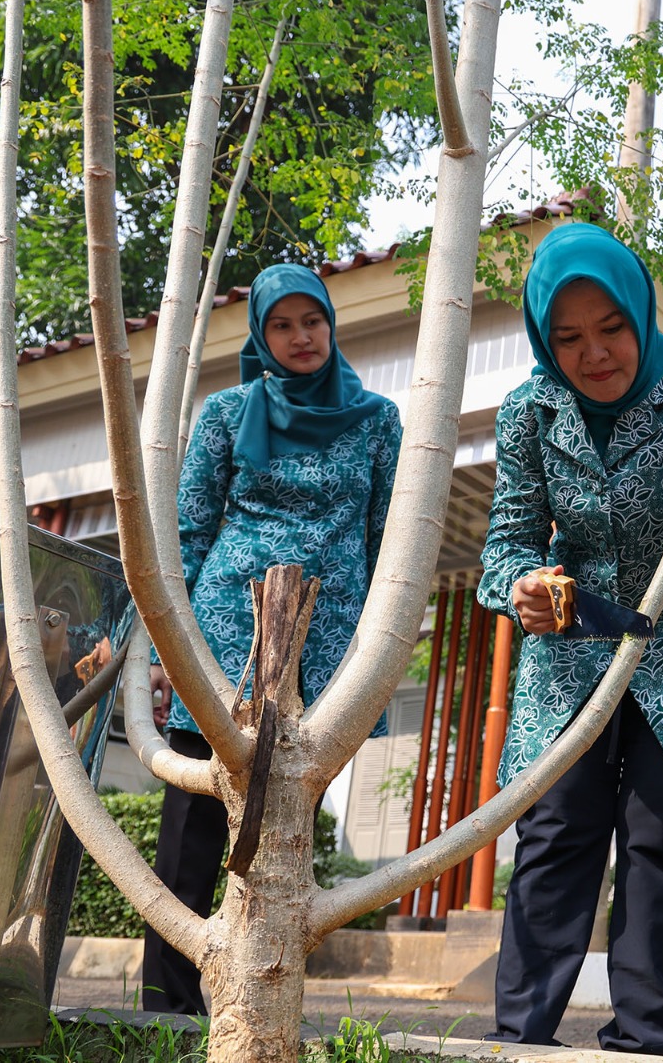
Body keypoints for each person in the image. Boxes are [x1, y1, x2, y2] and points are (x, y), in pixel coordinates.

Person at [476, 222, 663, 1055]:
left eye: (611, 330)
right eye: (568, 338)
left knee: (659, 838)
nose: (594, 354)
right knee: (557, 833)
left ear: (639, 317)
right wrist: (518, 587)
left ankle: (650, 1039)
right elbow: (508, 540)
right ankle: (519, 1037)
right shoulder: (530, 409)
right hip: (575, 644)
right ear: (543, 339)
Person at [142, 263, 402, 1014]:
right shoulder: (227, 413)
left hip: (327, 637)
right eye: (282, 325)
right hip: (228, 630)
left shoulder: (378, 419)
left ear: (331, 324)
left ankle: (260, 996)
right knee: (197, 811)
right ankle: (168, 1007)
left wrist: (383, 646)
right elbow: (189, 530)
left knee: (288, 814)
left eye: (311, 321)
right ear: (261, 333)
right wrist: (166, 647)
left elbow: (386, 535)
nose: (300, 337)